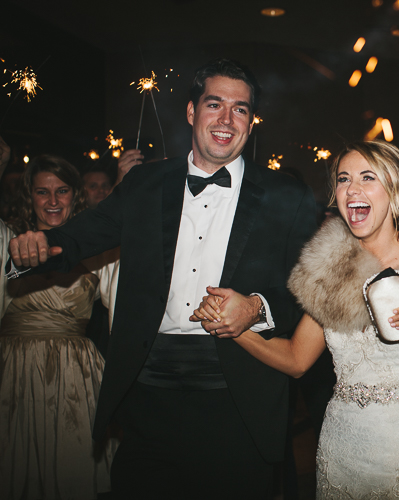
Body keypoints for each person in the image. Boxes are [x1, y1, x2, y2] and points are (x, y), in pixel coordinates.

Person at [7, 59, 318, 499]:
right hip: (148, 391)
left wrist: (256, 308)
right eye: (215, 105)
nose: (227, 120)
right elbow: (83, 235)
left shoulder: (288, 196)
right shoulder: (145, 183)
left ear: (252, 121)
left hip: (238, 394)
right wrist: (39, 245)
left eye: (241, 109)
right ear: (191, 112)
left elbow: (308, 289)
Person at [193, 141, 399, 498]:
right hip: (340, 445)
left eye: (367, 177)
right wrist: (232, 327)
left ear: (397, 189)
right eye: (343, 179)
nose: (351, 189)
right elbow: (296, 360)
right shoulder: (333, 268)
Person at [0, 155, 119, 499]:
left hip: (74, 376)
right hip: (12, 372)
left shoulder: (96, 250)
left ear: (75, 194)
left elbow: (123, 304)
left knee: (72, 473)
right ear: (30, 196)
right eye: (42, 192)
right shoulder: (8, 240)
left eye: (62, 191)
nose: (52, 201)